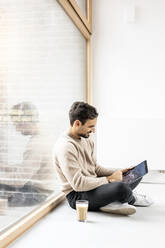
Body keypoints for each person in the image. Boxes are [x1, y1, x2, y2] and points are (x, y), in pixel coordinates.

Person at [54, 101, 153, 215]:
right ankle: (130, 199)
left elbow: (95, 169)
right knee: (121, 188)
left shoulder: (86, 139)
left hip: (94, 185)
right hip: (78, 195)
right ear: (77, 123)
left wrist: (119, 171)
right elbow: (78, 184)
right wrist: (109, 179)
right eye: (90, 126)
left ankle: (110, 201)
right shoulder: (65, 147)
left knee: (134, 174)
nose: (93, 130)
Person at [0, 102, 57, 206]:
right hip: (44, 189)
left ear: (25, 121)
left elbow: (19, 180)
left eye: (16, 124)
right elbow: (28, 169)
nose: (16, 129)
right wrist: (6, 167)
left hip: (37, 195)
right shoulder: (44, 136)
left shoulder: (36, 145)